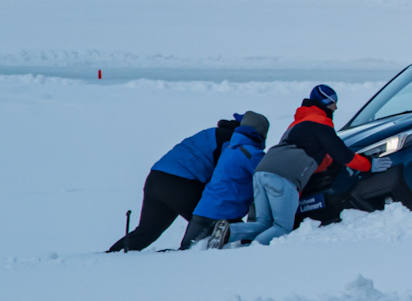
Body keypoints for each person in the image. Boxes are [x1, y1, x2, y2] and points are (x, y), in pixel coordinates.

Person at [228, 86, 372, 246]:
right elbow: (342, 154)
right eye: (334, 103)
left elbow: (314, 158)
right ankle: (253, 252)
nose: (336, 108)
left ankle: (228, 233)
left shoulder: (296, 124)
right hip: (282, 177)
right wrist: (369, 165)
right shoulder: (321, 123)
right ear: (326, 103)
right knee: (282, 227)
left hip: (261, 171)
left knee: (264, 223)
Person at [107, 114, 245, 251]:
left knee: (146, 232)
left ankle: (111, 256)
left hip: (156, 178)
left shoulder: (213, 133)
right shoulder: (232, 139)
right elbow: (225, 176)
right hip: (181, 182)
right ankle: (186, 256)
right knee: (210, 222)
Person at [189, 112, 269, 248]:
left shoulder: (229, 149)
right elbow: (267, 180)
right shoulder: (251, 154)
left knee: (187, 251)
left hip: (202, 211)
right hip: (225, 215)